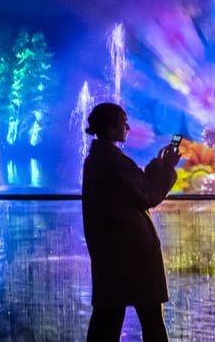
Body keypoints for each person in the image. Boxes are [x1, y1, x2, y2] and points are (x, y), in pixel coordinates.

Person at [81, 102, 180, 341]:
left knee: (107, 319)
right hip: (132, 256)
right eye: (123, 122)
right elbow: (147, 195)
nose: (128, 126)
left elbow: (137, 187)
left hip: (113, 255)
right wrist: (166, 169)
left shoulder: (101, 159)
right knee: (151, 321)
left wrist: (159, 165)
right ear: (110, 127)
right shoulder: (112, 161)